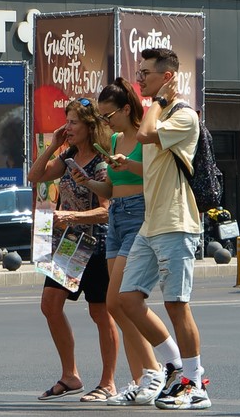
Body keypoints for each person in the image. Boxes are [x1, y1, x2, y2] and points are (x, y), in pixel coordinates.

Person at [115, 47, 209, 410]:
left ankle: (194, 382)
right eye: (139, 73)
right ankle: (174, 366)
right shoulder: (159, 115)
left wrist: (157, 100)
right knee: (127, 299)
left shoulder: (182, 116)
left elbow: (146, 134)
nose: (139, 79)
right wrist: (127, 165)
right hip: (151, 223)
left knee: (176, 305)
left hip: (176, 222)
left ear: (167, 77)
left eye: (146, 74)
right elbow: (154, 164)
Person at [28, 98, 120, 402]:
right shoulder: (68, 156)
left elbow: (106, 211)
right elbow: (35, 176)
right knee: (49, 305)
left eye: (73, 123)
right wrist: (53, 144)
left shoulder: (101, 163)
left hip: (94, 243)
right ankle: (70, 375)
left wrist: (70, 217)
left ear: (90, 126)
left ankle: (108, 382)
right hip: (68, 244)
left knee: (100, 312)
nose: (67, 128)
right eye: (66, 121)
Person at [93, 81, 166, 405]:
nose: (106, 122)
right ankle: (140, 380)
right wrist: (89, 180)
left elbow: (156, 175)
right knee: (114, 305)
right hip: (117, 217)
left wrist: (128, 164)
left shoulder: (144, 137)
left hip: (139, 214)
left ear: (125, 109)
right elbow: (109, 189)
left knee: (122, 300)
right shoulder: (113, 140)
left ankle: (155, 370)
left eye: (109, 115)